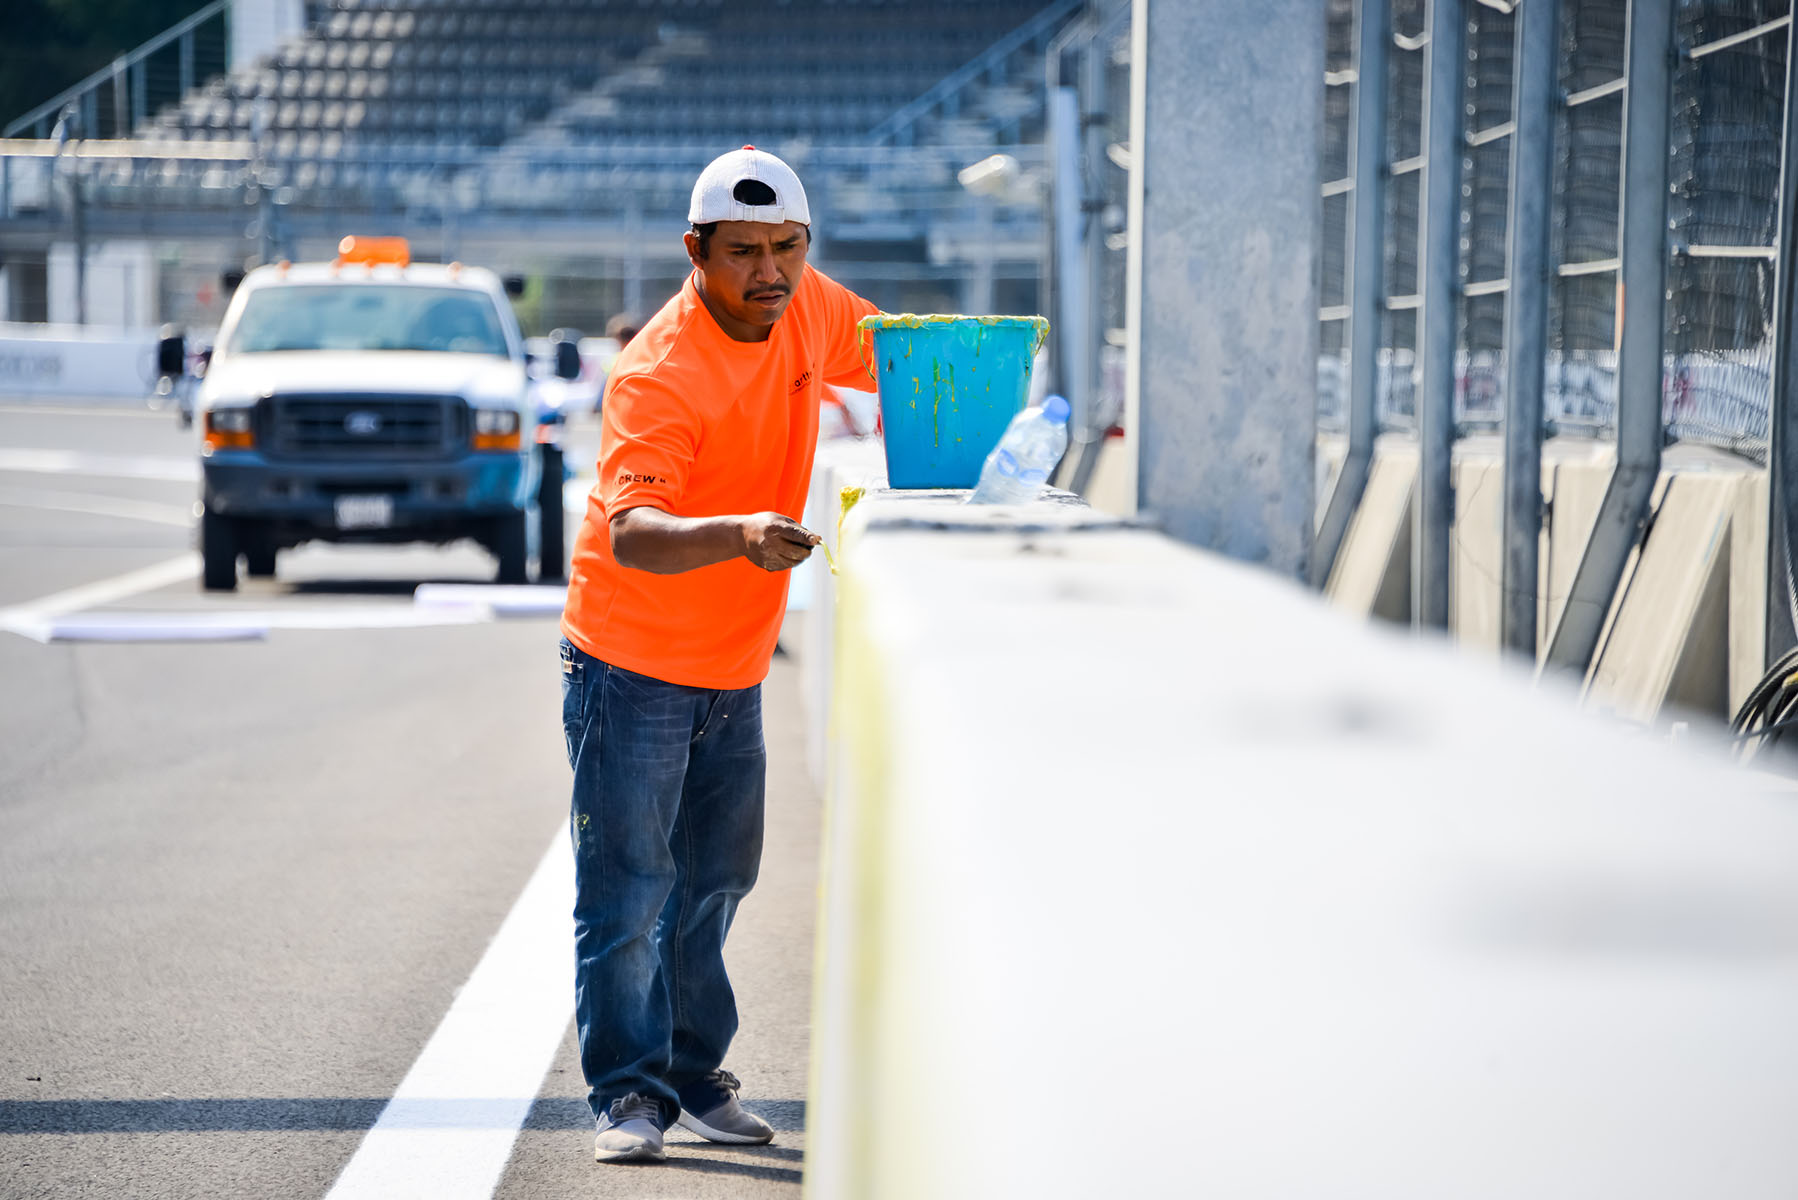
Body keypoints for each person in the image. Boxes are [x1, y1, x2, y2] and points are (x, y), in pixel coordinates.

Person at [557, 145, 879, 1165]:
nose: (769, 272)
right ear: (696, 251)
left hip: (732, 671)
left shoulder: (812, 307)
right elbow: (632, 533)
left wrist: (998, 380)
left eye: (788, 247)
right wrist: (739, 533)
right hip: (630, 663)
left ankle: (694, 1073)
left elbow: (908, 357)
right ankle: (627, 1095)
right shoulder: (659, 370)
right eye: (743, 252)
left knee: (715, 884)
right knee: (629, 890)